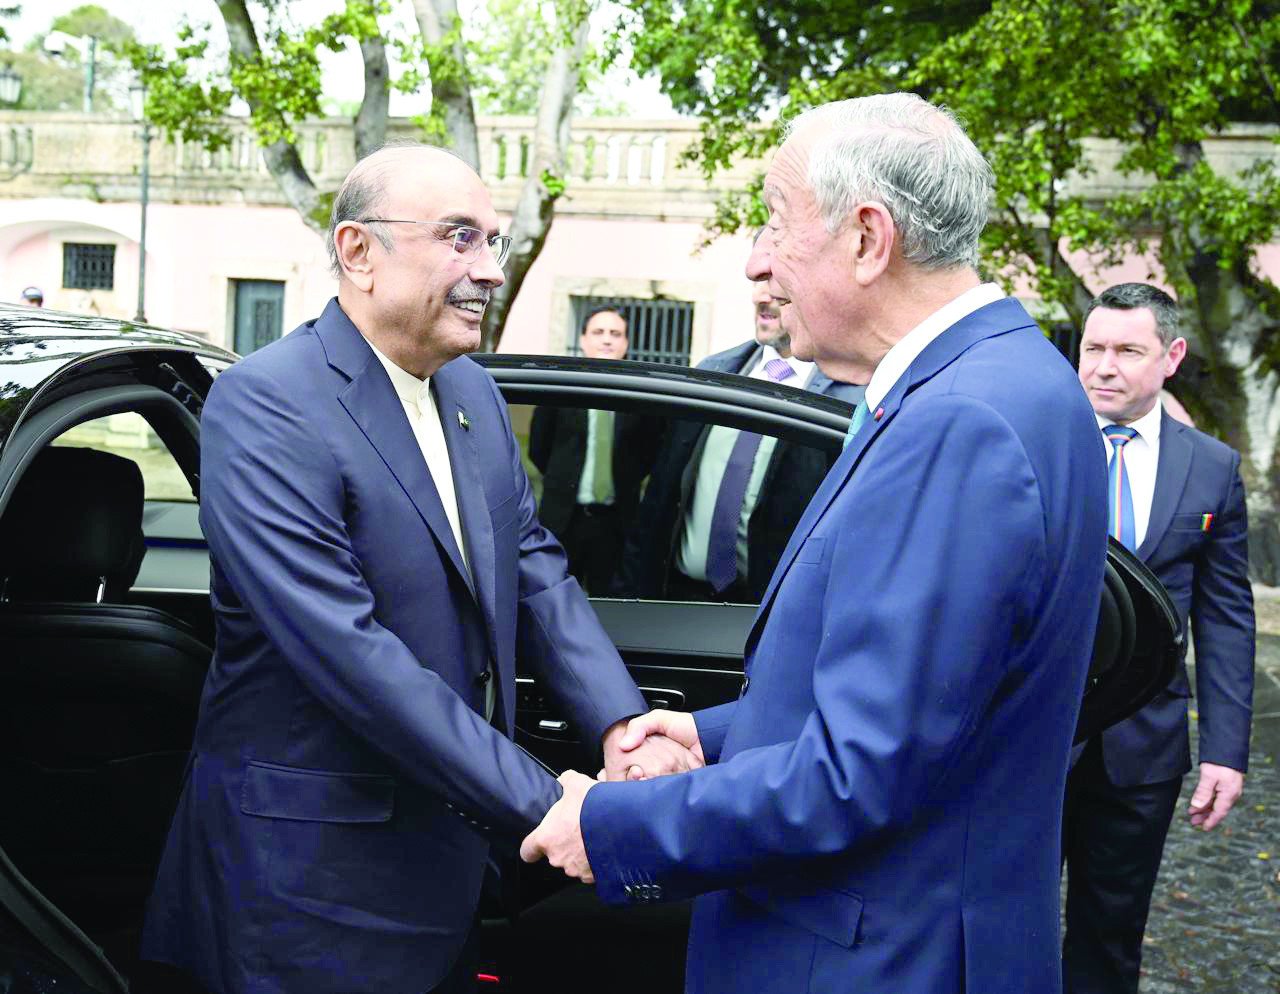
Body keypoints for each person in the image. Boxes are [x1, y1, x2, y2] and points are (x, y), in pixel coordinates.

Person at [520, 92, 1110, 994]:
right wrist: (710, 733)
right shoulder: (1003, 378)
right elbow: (927, 708)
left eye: (774, 223)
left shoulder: (959, 421)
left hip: (871, 957)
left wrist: (608, 825)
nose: (756, 261)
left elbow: (855, 773)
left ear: (869, 240)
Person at [139, 143, 698, 994]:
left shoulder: (468, 389)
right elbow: (348, 654)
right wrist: (554, 801)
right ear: (359, 251)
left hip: (447, 867)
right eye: (461, 238)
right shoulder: (267, 404)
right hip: (309, 886)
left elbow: (533, 567)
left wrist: (620, 724)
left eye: (495, 244)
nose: (490, 271)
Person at [1063, 283, 1254, 994]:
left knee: (1109, 938)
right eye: (1093, 348)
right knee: (996, 920)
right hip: (1027, 734)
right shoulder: (1035, 443)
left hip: (1142, 750)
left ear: (1171, 356)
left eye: (1127, 350)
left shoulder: (1211, 468)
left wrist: (1225, 753)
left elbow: (1226, 615)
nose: (1103, 367)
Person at [613, 278, 864, 602]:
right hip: (678, 603)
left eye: (776, 280)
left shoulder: (854, 398)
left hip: (771, 612)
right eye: (758, 282)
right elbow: (659, 499)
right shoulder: (712, 374)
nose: (761, 296)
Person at [528, 307, 657, 593]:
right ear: (584, 340)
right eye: (598, 332)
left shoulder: (639, 395)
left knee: (608, 606)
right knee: (555, 600)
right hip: (564, 518)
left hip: (615, 523)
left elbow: (648, 453)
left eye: (616, 334)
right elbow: (539, 447)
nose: (607, 340)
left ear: (625, 344)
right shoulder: (560, 387)